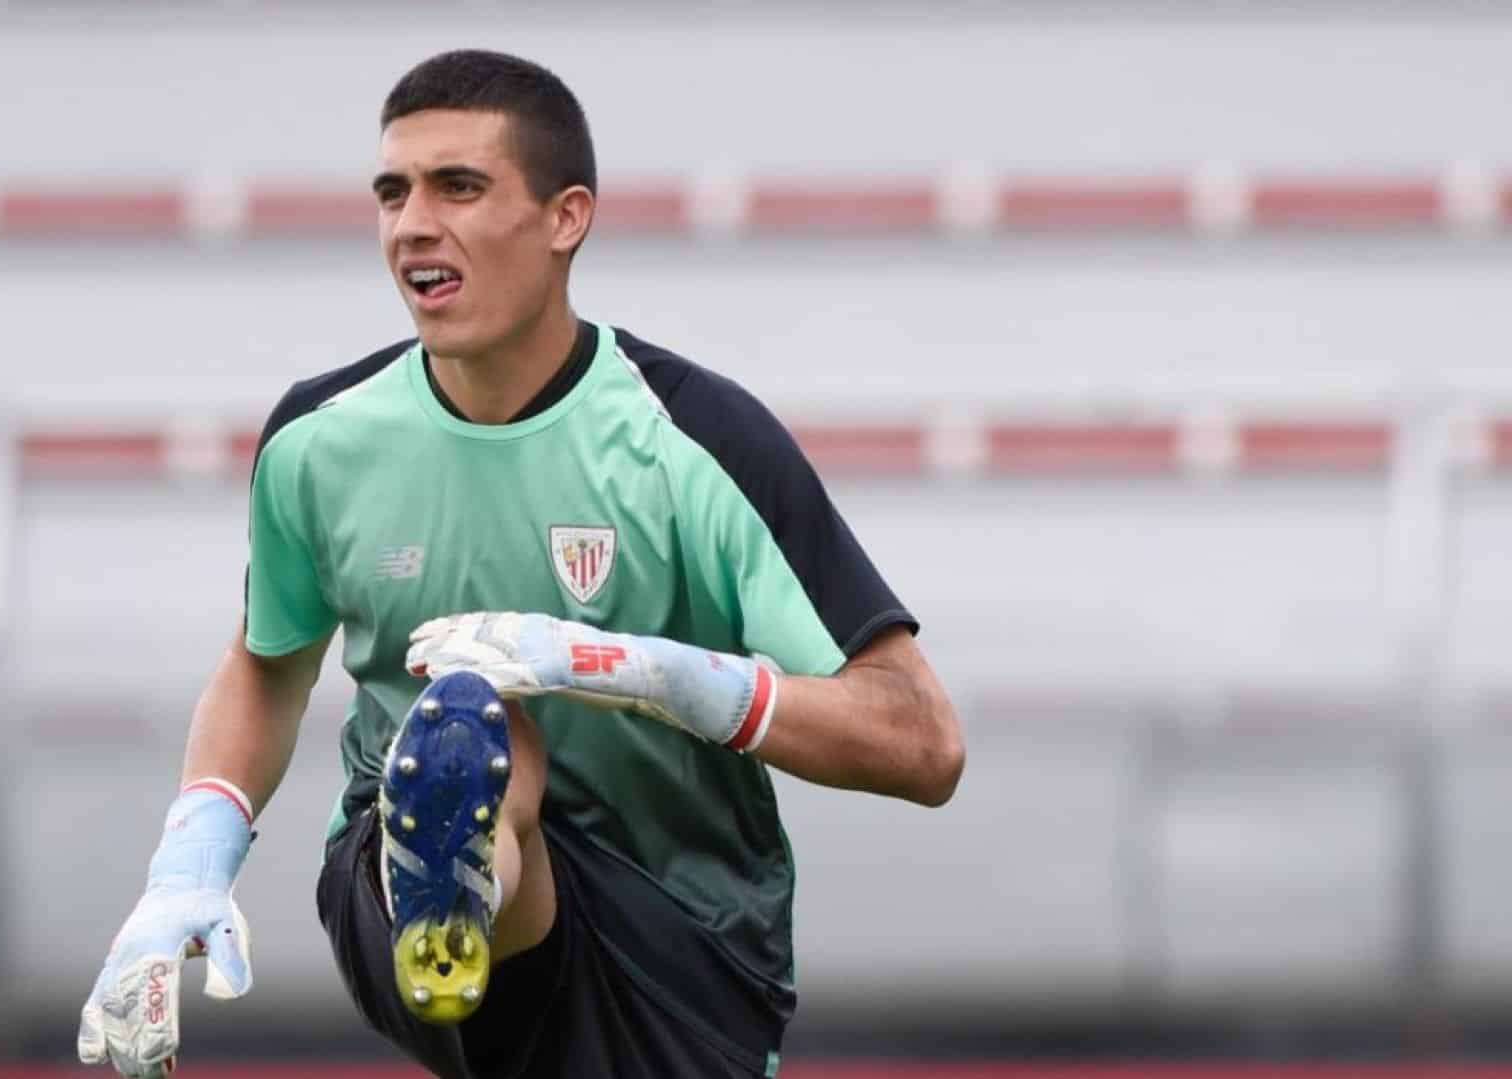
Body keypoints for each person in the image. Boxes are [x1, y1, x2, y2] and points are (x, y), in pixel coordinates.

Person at [77, 48, 965, 1079]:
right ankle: (451, 882)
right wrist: (189, 860)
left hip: (681, 929)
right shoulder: (318, 442)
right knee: (477, 724)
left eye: (459, 187)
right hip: (388, 885)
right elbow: (267, 663)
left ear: (565, 217)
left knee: (494, 739)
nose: (413, 222)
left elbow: (921, 738)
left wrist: (646, 671)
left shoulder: (699, 443)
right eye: (392, 191)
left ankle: (464, 876)